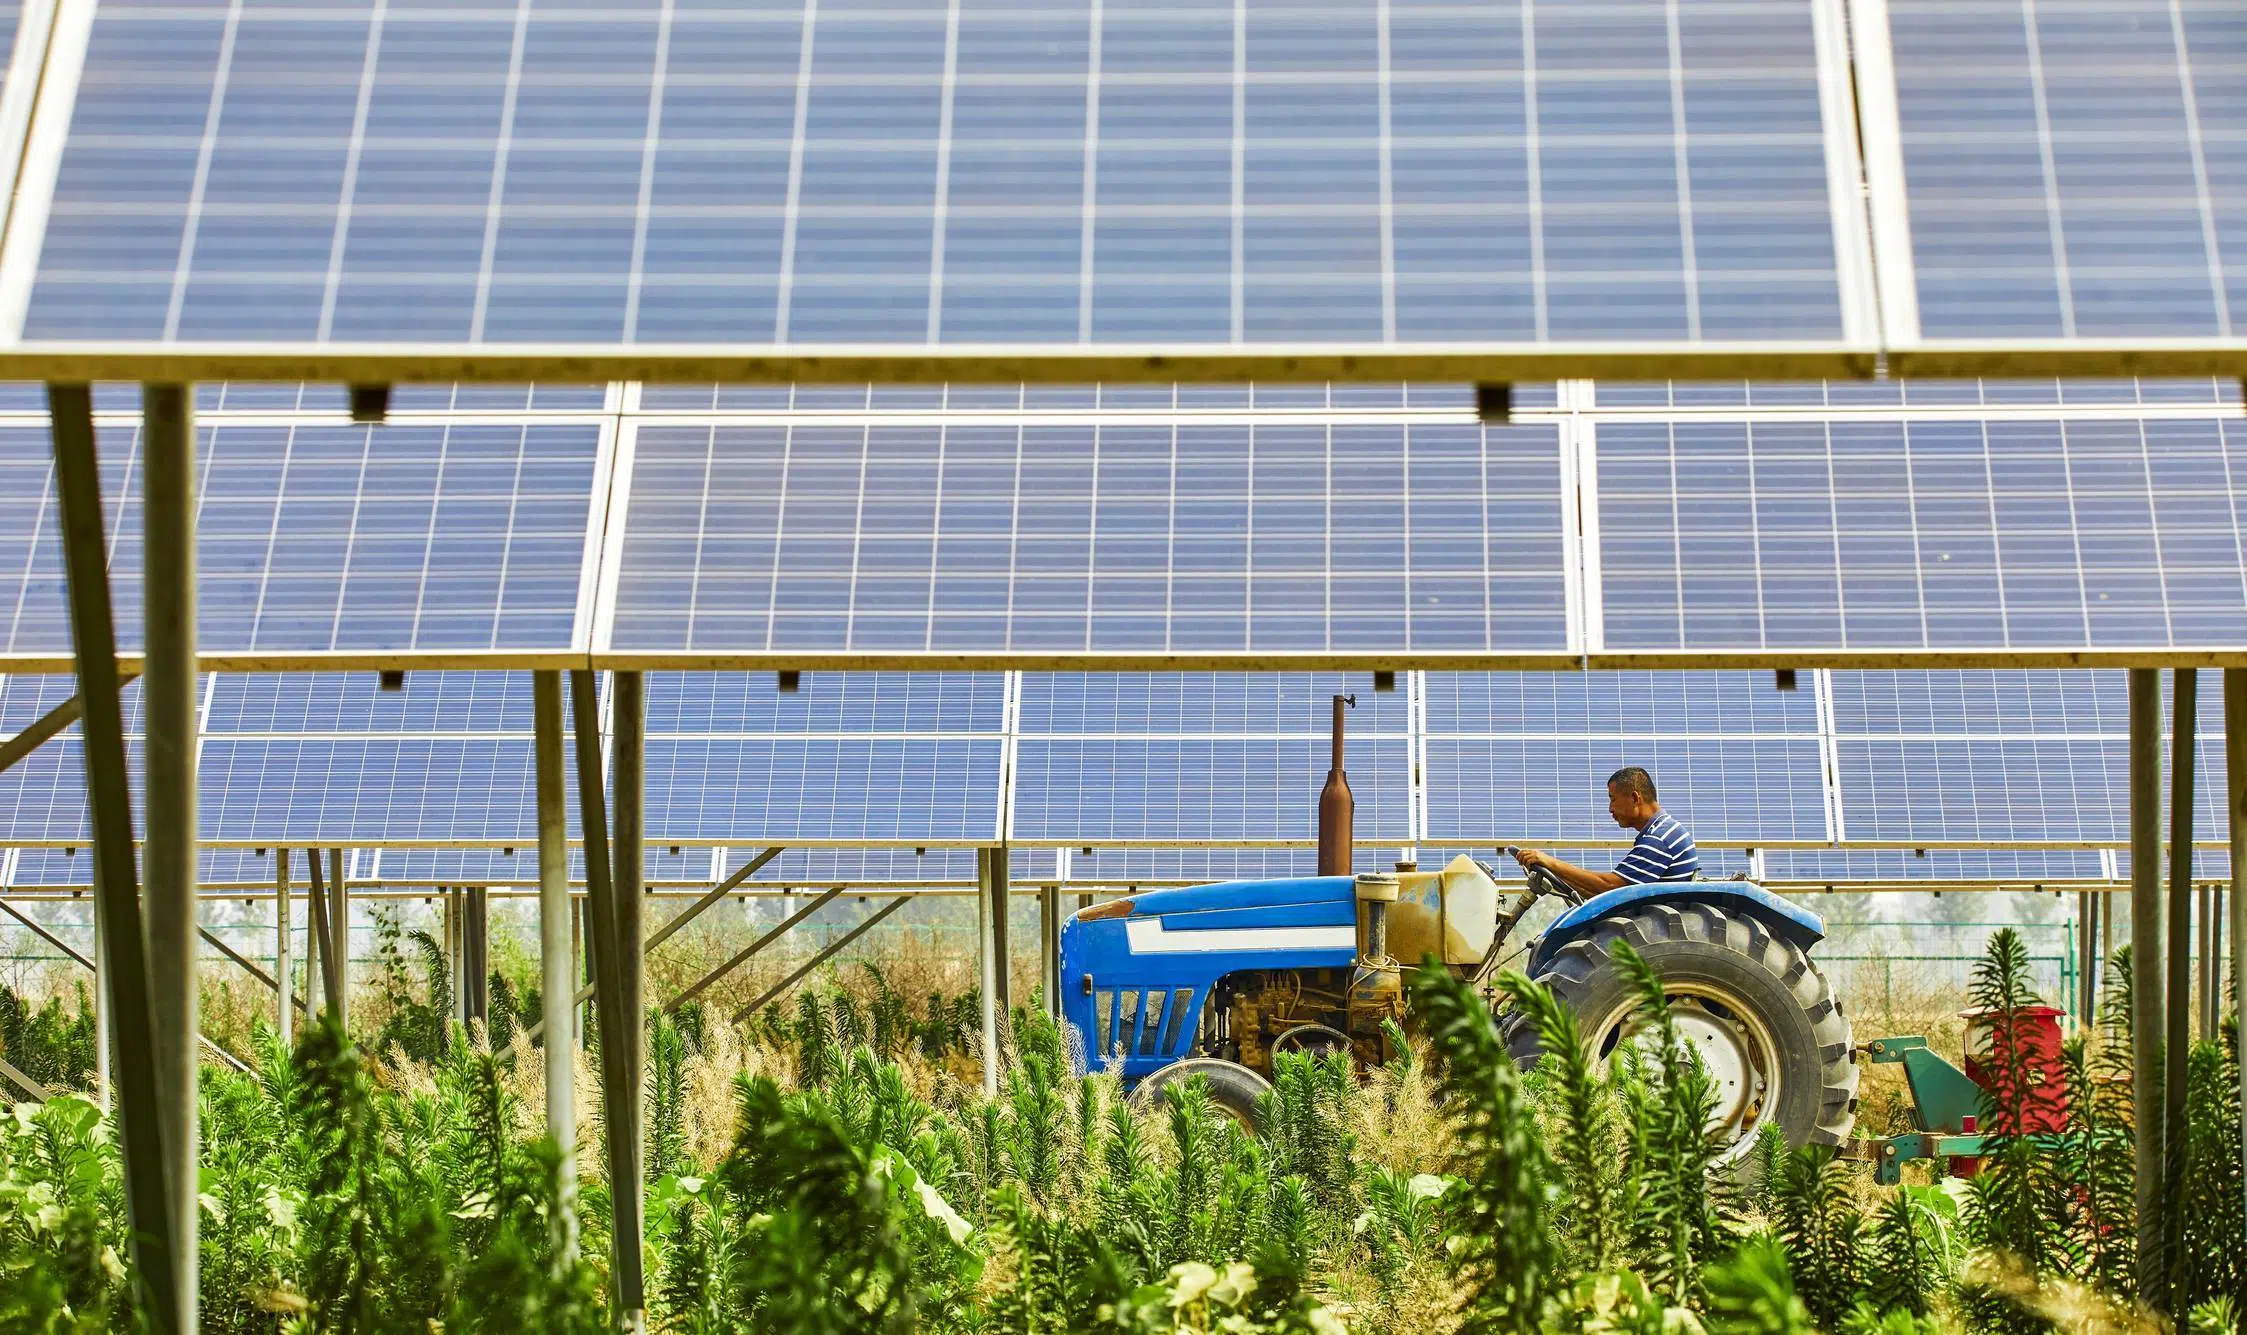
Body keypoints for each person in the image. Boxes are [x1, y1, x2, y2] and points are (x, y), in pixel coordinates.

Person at [1509, 765, 1698, 897]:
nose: (1610, 809)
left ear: (1634, 798)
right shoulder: (1663, 830)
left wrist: (1548, 861)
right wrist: (1555, 872)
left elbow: (1611, 887)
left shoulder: (1660, 839)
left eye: (1613, 799)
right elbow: (1602, 891)